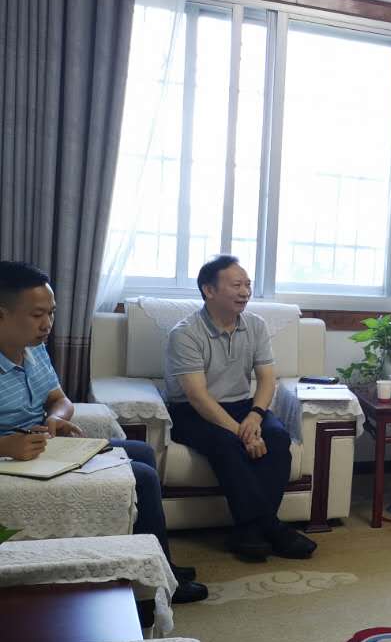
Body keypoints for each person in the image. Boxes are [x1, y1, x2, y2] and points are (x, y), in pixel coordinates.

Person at [0, 261, 207, 602]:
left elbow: (60, 399)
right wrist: (6, 445)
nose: (47, 324)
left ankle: (155, 561)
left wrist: (55, 418)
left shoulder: (34, 350)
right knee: (142, 477)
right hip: (14, 460)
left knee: (142, 453)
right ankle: (159, 584)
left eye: (51, 313)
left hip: (42, 447)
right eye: (37, 315)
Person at [165, 255, 314, 563]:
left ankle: (248, 532)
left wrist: (255, 416)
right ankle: (270, 527)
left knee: (277, 438)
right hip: (192, 411)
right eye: (236, 285)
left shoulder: (256, 325)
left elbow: (267, 379)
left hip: (242, 406)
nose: (245, 292)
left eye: (247, 285)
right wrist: (241, 433)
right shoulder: (185, 333)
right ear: (209, 290)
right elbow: (197, 396)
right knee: (228, 445)